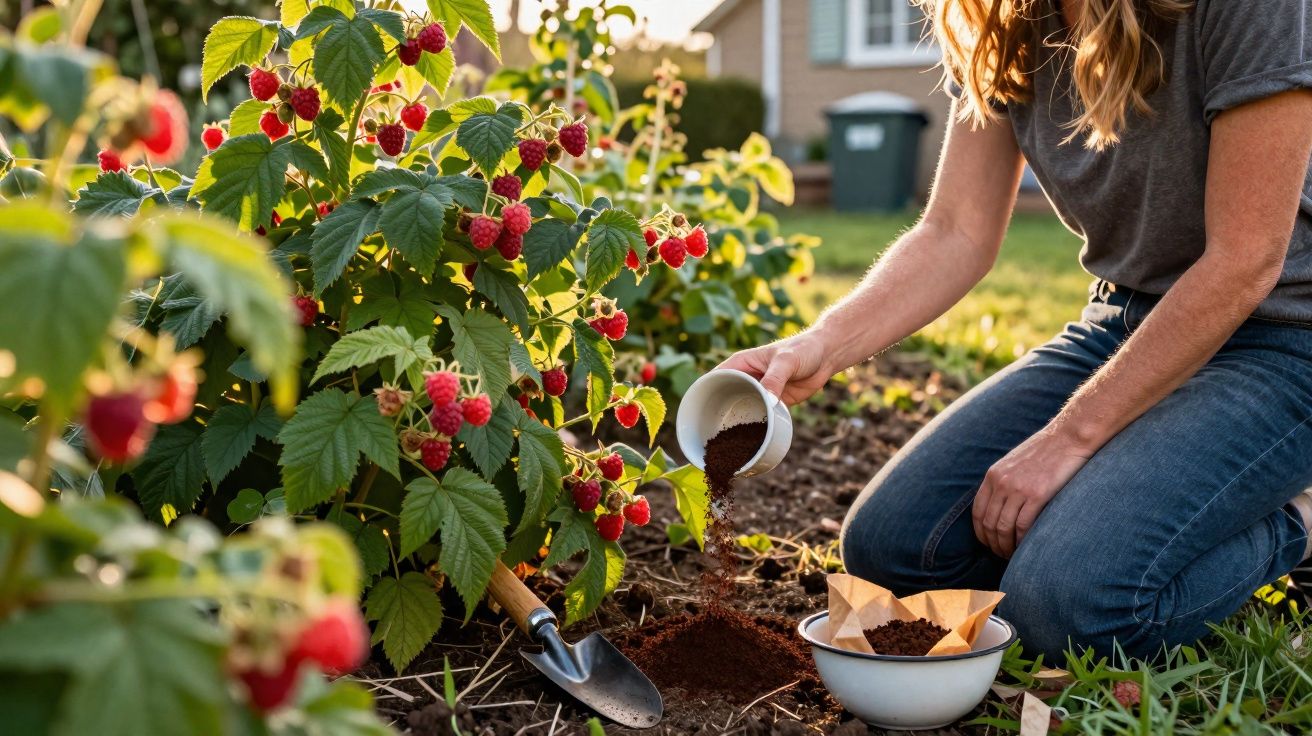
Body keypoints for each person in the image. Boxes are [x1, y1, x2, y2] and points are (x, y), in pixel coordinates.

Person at [721, 0, 1312, 660]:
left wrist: (1071, 436)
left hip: (1283, 338)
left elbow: (1245, 260)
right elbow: (956, 232)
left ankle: (1297, 523)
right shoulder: (1002, 20)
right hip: (1125, 318)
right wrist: (819, 344)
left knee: (1067, 607)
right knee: (894, 549)